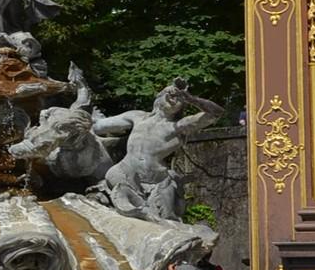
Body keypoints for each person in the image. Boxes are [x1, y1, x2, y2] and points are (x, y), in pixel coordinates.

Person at [91, 80, 222, 222]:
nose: (174, 98)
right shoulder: (137, 116)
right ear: (158, 99)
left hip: (156, 180)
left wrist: (191, 99)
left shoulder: (179, 126)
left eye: (179, 99)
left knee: (165, 220)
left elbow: (216, 113)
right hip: (123, 172)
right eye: (169, 94)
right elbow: (98, 126)